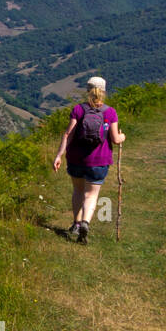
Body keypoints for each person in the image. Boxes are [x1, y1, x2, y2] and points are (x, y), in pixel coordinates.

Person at [52, 76, 125, 243]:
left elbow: (67, 135)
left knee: (78, 191)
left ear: (87, 90)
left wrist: (58, 156)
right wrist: (123, 136)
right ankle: (85, 222)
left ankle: (76, 224)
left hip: (76, 159)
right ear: (104, 91)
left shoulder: (78, 110)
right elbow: (115, 139)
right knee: (91, 195)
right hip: (99, 161)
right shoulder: (110, 112)